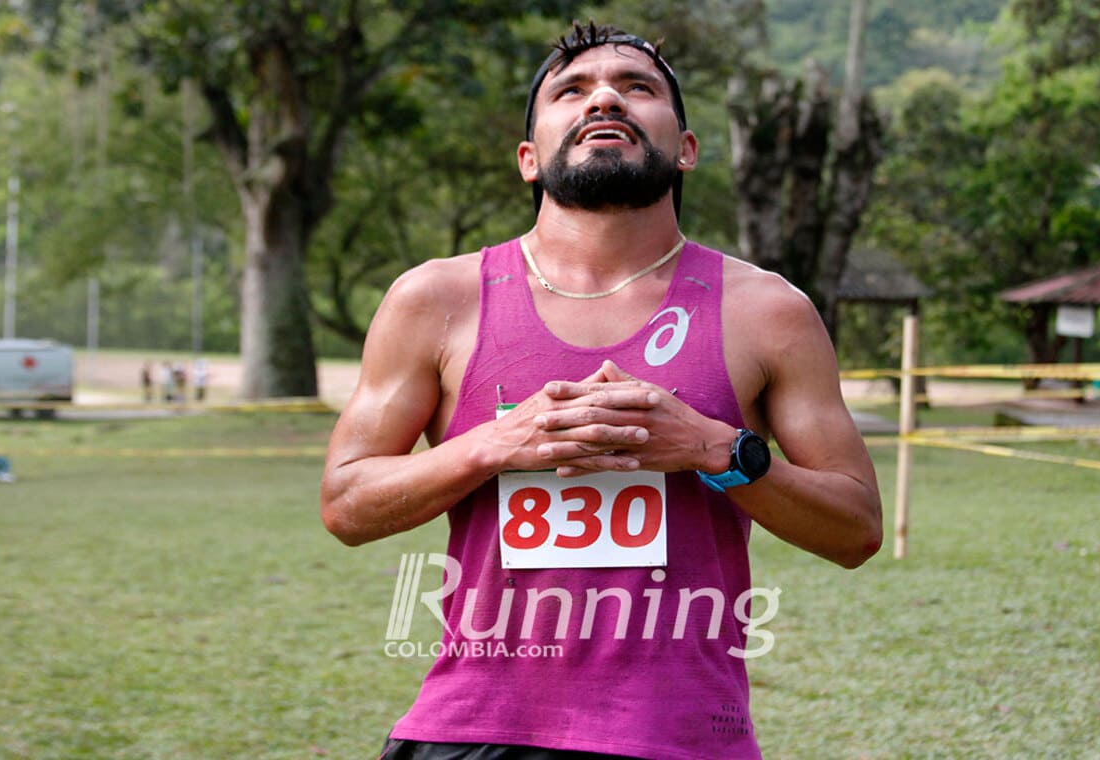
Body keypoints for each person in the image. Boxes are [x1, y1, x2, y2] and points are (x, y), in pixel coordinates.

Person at [321, 21, 882, 760]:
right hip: (472, 730)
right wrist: (496, 444)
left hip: (679, 737)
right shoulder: (435, 299)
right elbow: (346, 505)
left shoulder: (768, 310)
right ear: (529, 159)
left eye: (637, 87)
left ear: (686, 148)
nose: (605, 99)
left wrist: (713, 448)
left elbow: (855, 530)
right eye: (572, 90)